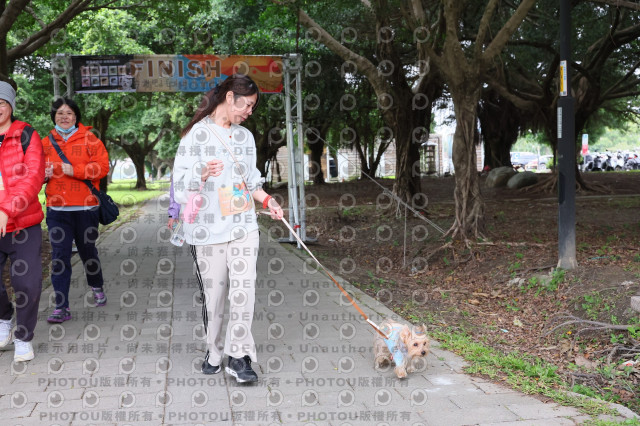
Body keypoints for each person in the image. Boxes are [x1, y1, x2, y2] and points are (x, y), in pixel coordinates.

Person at [173, 74, 283, 383]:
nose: (250, 112)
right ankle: (214, 350)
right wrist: (201, 172)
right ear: (230, 97)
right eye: (247, 105)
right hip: (207, 231)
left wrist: (268, 200)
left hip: (243, 225)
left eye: (253, 107)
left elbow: (251, 182)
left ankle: (239, 356)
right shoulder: (195, 135)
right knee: (215, 297)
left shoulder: (244, 137)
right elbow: (179, 189)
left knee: (244, 290)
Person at [42, 98, 109, 323]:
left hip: (86, 207)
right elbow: (35, 172)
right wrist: (43, 175)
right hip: (57, 209)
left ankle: (96, 285)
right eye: (60, 113)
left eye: (69, 113)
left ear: (76, 116)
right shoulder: (45, 142)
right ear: (54, 117)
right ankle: (61, 307)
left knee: (87, 251)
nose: (64, 117)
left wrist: (74, 170)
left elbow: (103, 167)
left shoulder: (90, 139)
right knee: (60, 256)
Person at [0, 80, 45, 362]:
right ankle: (4, 319)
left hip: (23, 225)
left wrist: (6, 209)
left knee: (26, 283)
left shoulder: (27, 134)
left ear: (11, 106)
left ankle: (24, 337)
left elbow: (32, 177)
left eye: (1, 103)